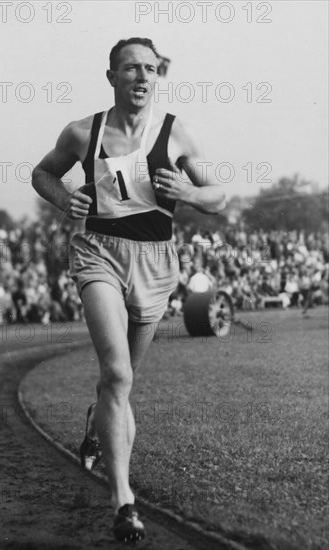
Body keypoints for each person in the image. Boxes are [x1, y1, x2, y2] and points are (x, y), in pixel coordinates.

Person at [32, 37, 225, 542]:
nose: (142, 77)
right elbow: (42, 173)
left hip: (155, 262)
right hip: (99, 252)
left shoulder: (175, 132)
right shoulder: (83, 132)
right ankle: (124, 500)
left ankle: (98, 419)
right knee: (116, 372)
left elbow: (218, 195)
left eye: (150, 69)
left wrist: (190, 192)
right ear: (112, 76)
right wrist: (65, 199)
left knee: (122, 382)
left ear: (158, 76)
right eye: (130, 69)